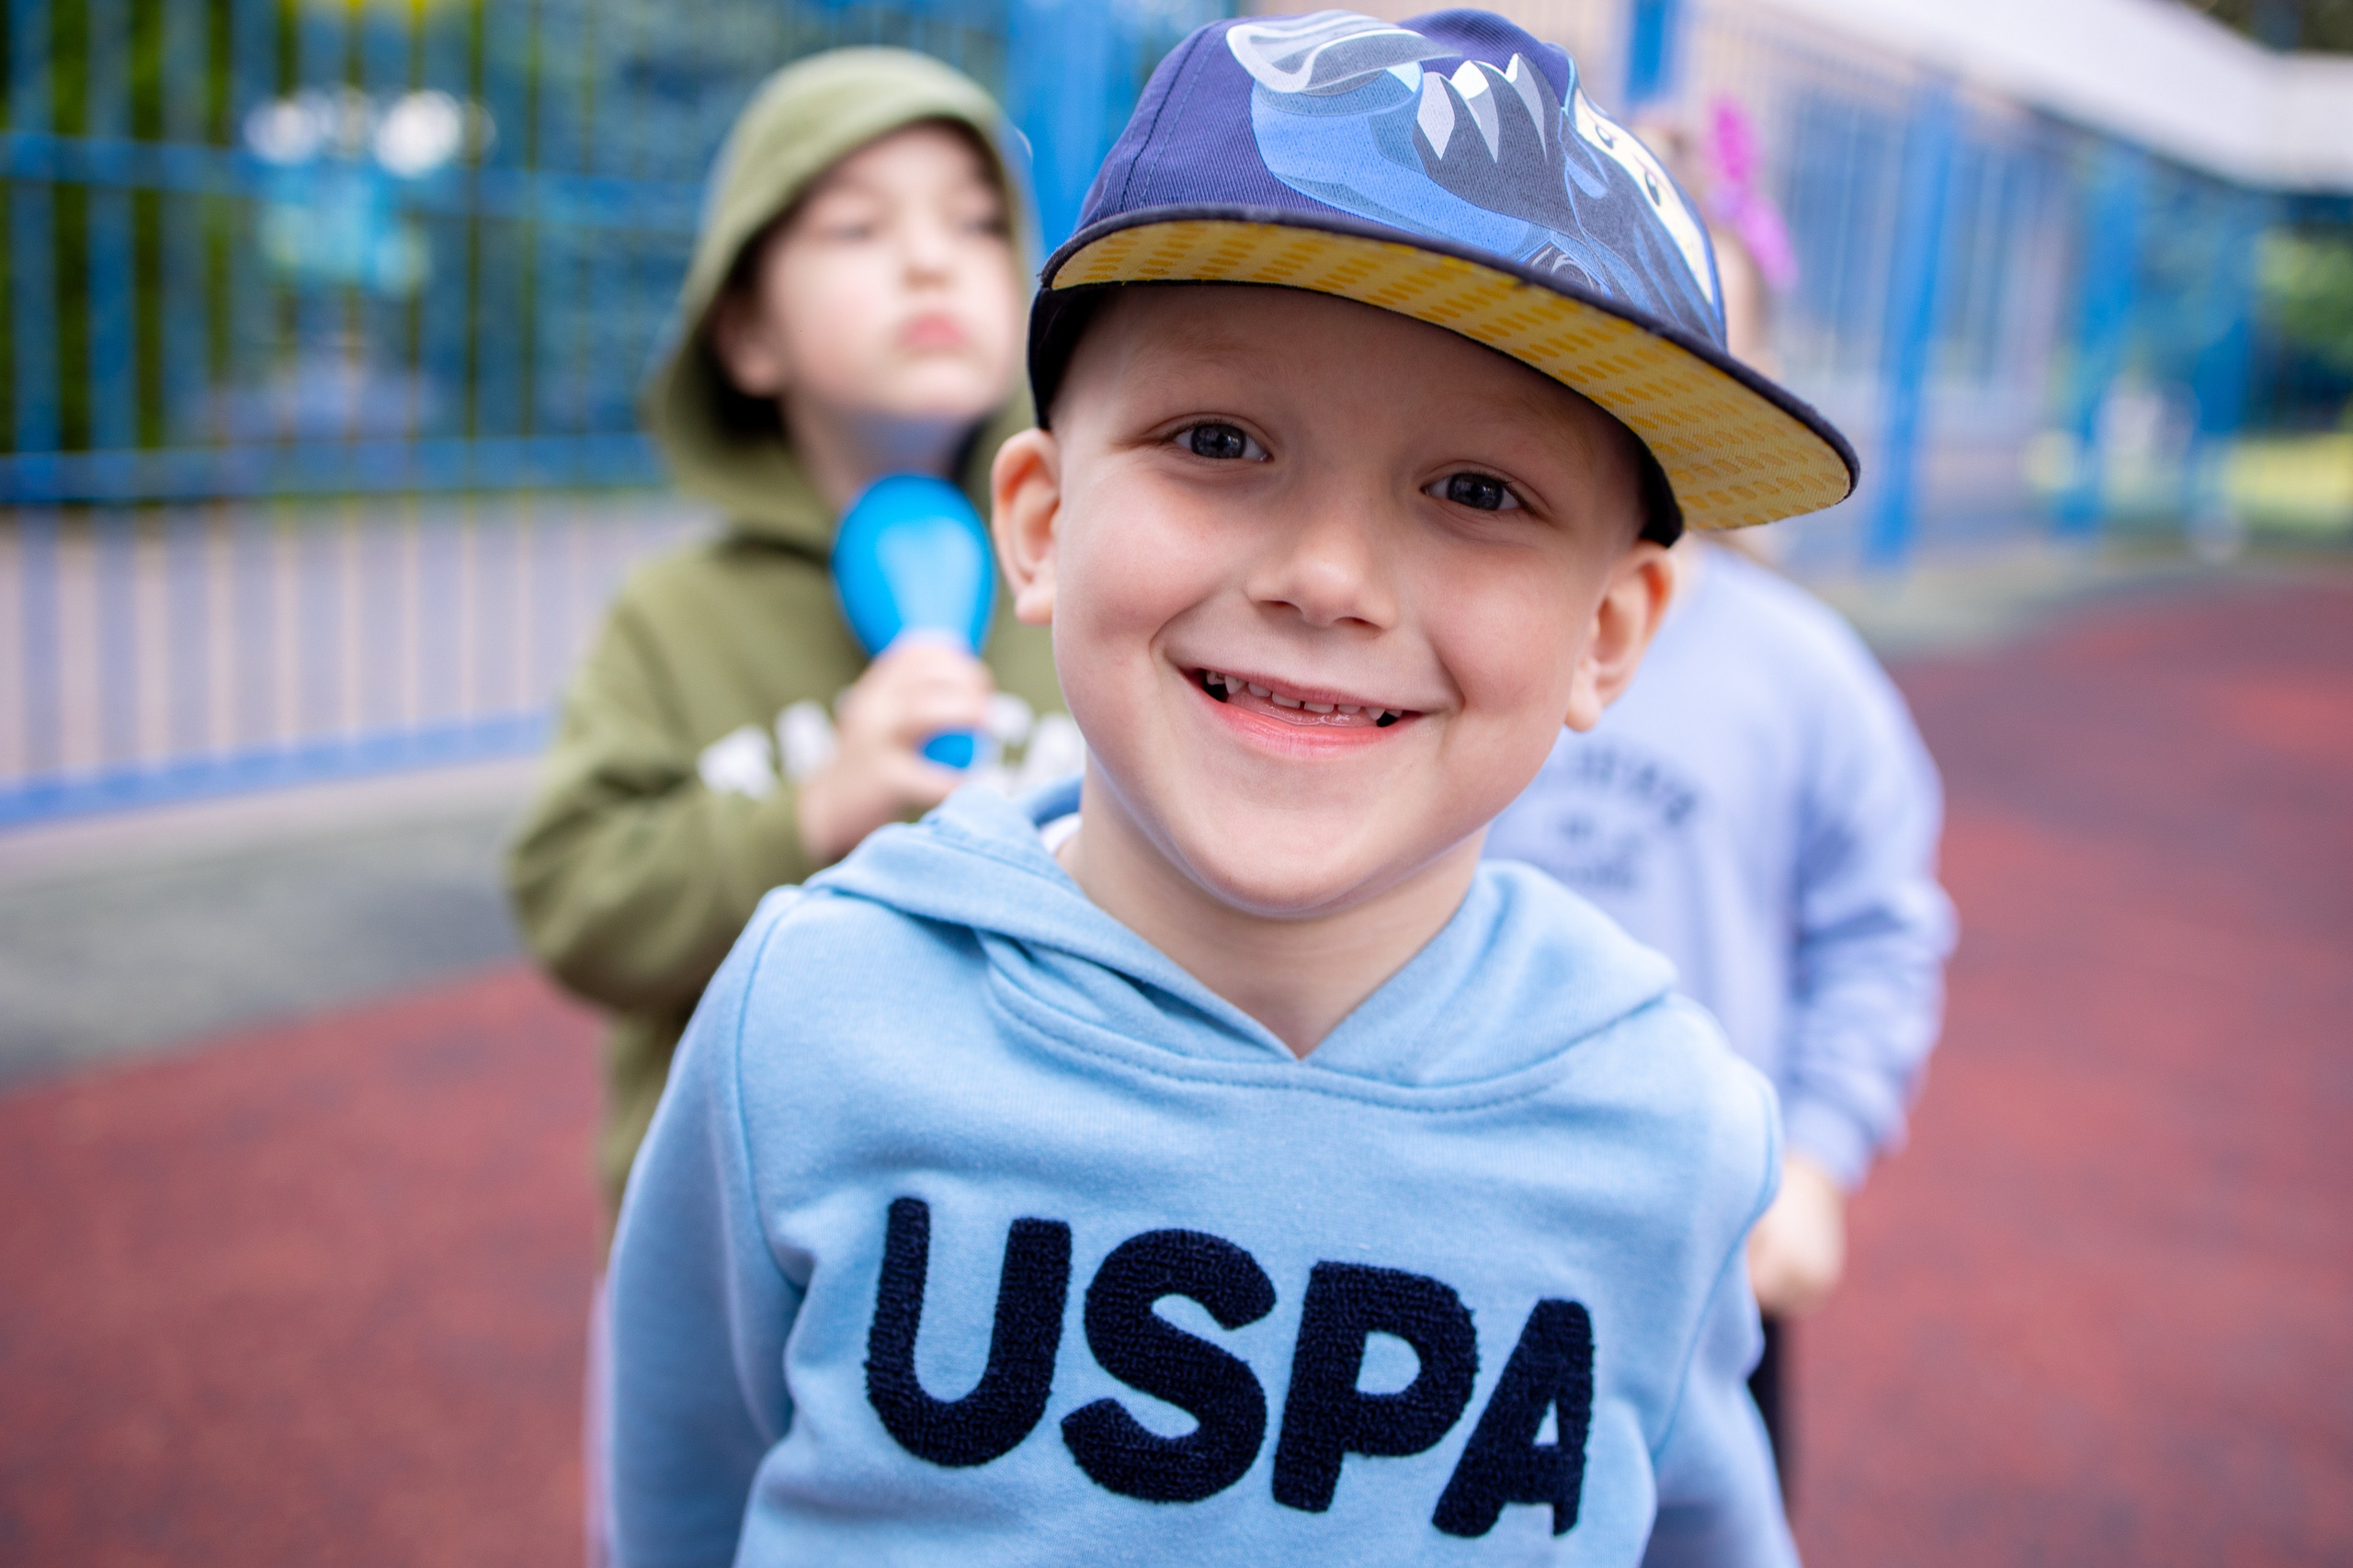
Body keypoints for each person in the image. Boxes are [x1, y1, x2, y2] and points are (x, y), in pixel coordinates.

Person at [605, 10, 1861, 1564]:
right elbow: (678, 1492)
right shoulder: (808, 1019)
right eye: (1219, 439)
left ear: (1609, 634)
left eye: (1478, 490)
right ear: (1043, 523)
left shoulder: (1668, 1129)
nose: (1329, 576)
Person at [505, 49, 1070, 1225]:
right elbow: (571, 900)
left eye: (974, 226)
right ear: (749, 332)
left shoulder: (1089, 584)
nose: (927, 257)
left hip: (1020, 1221)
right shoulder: (675, 617)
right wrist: (811, 811)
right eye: (856, 229)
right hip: (732, 1225)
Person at [1485, 117, 1956, 1491]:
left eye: (1697, 350)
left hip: (1707, 1236)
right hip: (1450, 1187)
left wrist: (1812, 1164)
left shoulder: (1805, 674)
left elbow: (1877, 934)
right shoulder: (1454, 629)